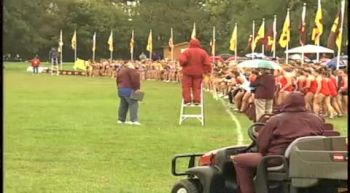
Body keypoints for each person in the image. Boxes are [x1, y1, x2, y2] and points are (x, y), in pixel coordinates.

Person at [231, 92, 324, 193]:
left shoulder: (276, 120)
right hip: (308, 159)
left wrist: (262, 150)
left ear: (286, 103)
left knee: (239, 160)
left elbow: (262, 143)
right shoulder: (316, 119)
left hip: (279, 159)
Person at [179, 38, 211, 105]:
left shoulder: (186, 51)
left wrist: (184, 65)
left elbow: (182, 61)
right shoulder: (203, 52)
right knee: (197, 87)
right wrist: (206, 72)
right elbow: (207, 63)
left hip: (187, 72)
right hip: (198, 73)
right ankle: (197, 100)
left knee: (186, 87)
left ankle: (187, 100)